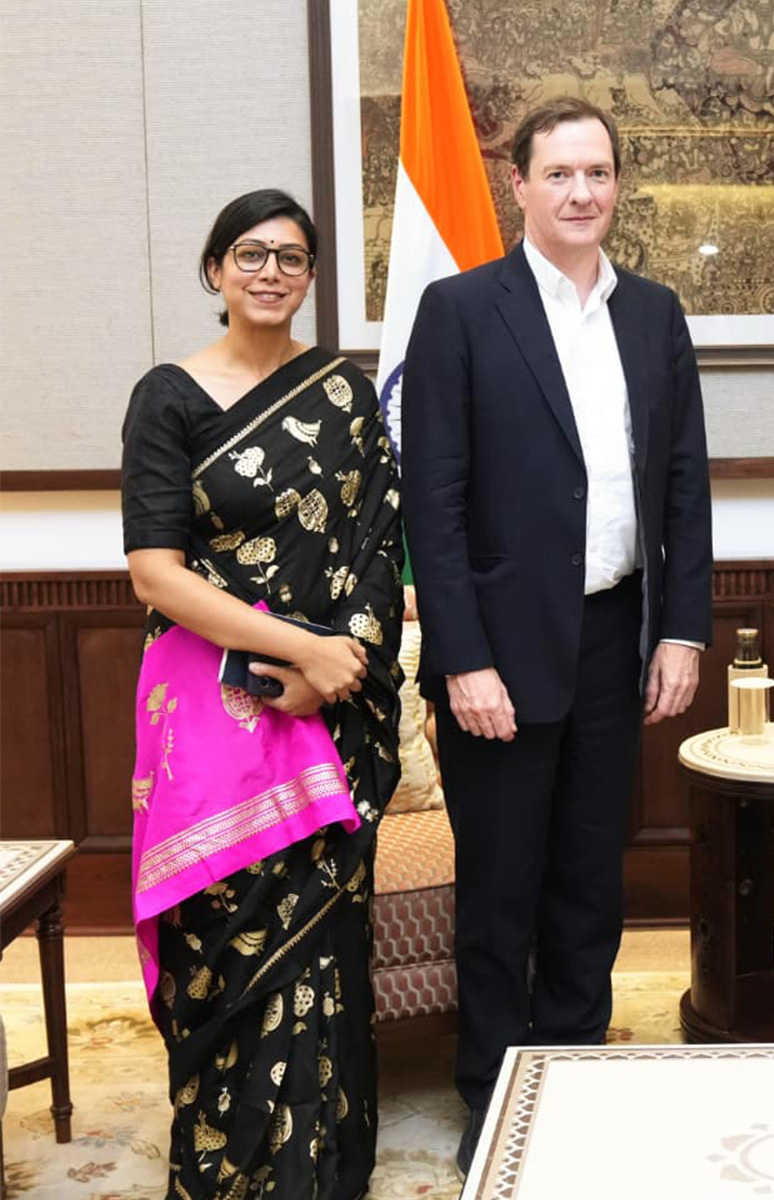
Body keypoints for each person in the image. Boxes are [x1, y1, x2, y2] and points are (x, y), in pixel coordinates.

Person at [401, 96, 713, 1172]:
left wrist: (682, 632)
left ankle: (571, 1072)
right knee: (500, 887)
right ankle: (495, 1096)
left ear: (618, 184)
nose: (582, 193)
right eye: (560, 174)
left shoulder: (654, 313)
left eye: (599, 173)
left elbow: (684, 486)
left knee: (590, 878)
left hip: (616, 635)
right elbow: (432, 503)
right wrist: (463, 659)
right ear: (520, 187)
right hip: (498, 650)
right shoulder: (460, 310)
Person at [121, 188, 404, 1200]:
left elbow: (379, 541)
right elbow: (155, 573)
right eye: (250, 253)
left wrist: (341, 666)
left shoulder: (344, 394)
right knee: (222, 940)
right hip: (211, 709)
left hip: (332, 708)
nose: (270, 271)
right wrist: (299, 651)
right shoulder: (169, 397)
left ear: (311, 277)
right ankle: (227, 1168)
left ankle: (322, 1171)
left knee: (323, 937)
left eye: (290, 256)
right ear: (215, 270)